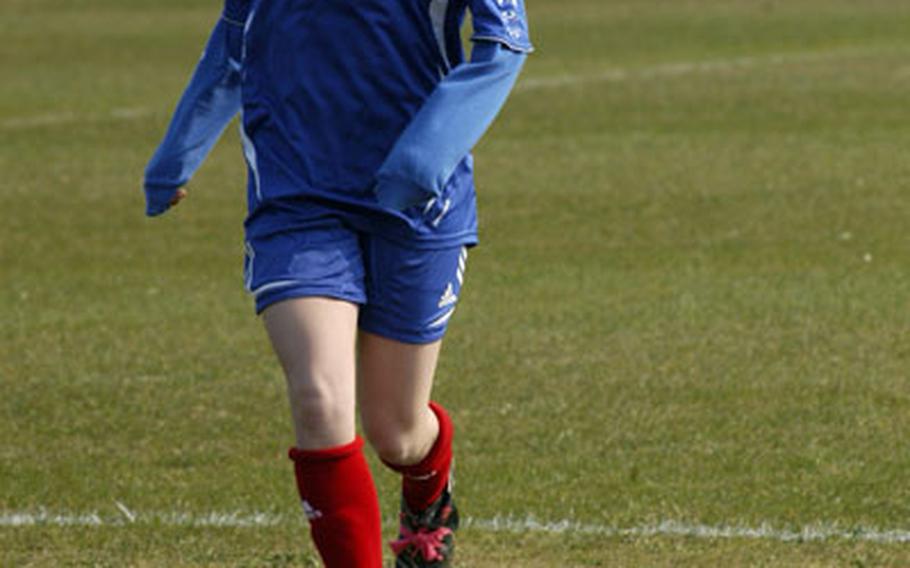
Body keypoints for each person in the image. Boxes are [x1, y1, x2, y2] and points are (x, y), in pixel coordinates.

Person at [143, 0, 532, 565]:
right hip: (297, 196)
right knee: (319, 397)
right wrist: (178, 152)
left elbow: (503, 46)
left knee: (396, 432)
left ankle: (429, 490)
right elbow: (236, 39)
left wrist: (424, 159)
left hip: (420, 202)